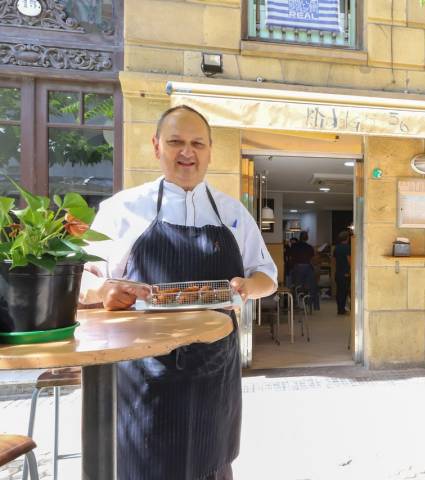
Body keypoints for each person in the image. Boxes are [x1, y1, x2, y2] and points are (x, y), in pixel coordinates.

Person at [79, 105, 277, 480]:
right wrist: (104, 290)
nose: (187, 152)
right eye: (176, 142)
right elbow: (77, 283)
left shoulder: (232, 213)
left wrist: (249, 286)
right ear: (156, 147)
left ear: (209, 150)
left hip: (215, 373)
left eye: (197, 143)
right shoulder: (123, 210)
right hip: (146, 374)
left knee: (214, 464)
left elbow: (268, 276)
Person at [288, 230, 320, 310]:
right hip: (307, 269)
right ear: (307, 238)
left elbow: (290, 257)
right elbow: (312, 259)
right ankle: (312, 304)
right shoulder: (309, 247)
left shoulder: (294, 246)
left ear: (299, 237)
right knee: (313, 286)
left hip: (297, 269)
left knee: (294, 285)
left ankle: (294, 303)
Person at [332, 230, 351, 314]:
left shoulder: (336, 247)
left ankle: (339, 309)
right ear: (347, 238)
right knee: (344, 292)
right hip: (345, 272)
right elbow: (350, 260)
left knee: (339, 291)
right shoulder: (348, 247)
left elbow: (334, 261)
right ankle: (342, 310)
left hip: (338, 272)